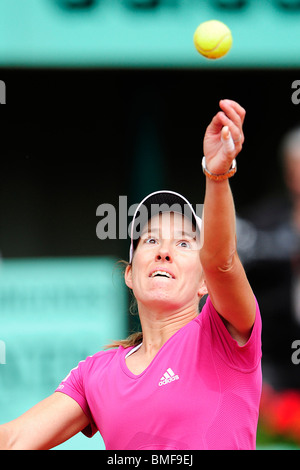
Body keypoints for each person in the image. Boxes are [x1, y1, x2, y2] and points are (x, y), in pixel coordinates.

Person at [0, 99, 262, 450]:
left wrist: (216, 175)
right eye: (151, 239)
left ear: (205, 283)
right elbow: (15, 439)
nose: (163, 250)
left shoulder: (223, 335)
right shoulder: (95, 373)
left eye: (184, 244)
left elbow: (221, 260)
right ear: (129, 275)